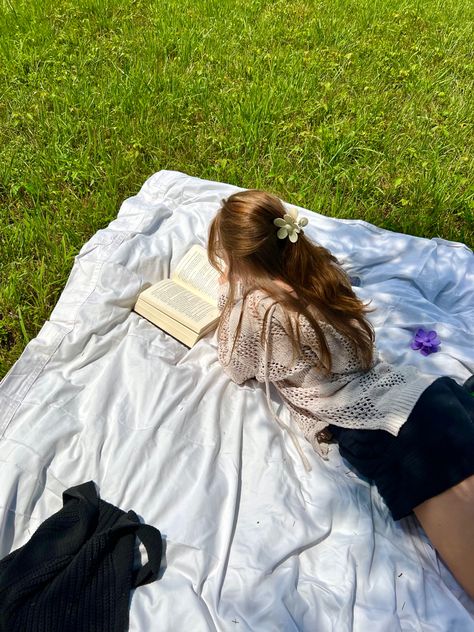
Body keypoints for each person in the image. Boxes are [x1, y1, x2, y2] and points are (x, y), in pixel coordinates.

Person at [207, 189, 474, 599]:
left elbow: (236, 366)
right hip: (421, 394)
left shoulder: (260, 311)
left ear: (239, 260)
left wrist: (230, 296)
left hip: (372, 425)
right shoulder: (318, 264)